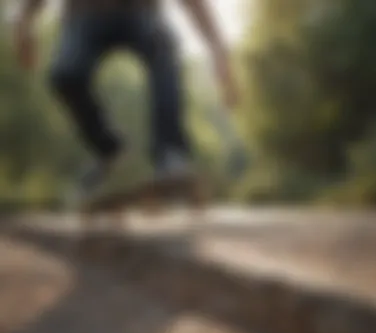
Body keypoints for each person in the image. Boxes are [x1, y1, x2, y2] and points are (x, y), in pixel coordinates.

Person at [13, 0, 240, 199]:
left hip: (139, 11)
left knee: (163, 46)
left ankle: (170, 154)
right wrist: (24, 21)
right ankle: (109, 150)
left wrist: (217, 48)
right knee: (65, 73)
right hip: (84, 14)